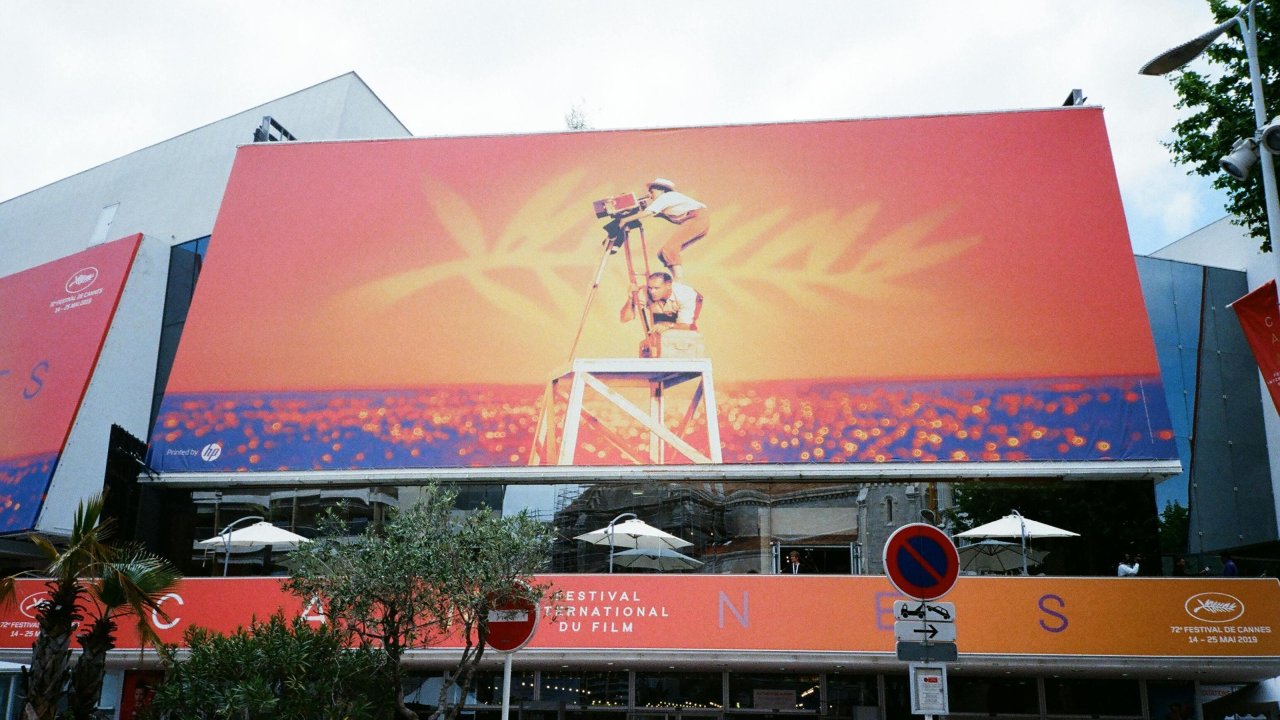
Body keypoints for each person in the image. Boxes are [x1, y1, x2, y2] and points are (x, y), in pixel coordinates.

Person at [619, 178, 709, 280]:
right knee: (662, 254)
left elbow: (649, 212)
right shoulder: (669, 200)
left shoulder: (666, 197)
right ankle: (674, 279)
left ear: (661, 190)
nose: (650, 194)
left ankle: (679, 280)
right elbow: (656, 212)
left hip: (698, 219)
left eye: (652, 191)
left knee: (669, 249)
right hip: (699, 222)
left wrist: (625, 220)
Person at [621, 271, 702, 331]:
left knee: (689, 330)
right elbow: (625, 319)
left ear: (668, 286)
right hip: (664, 310)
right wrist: (630, 299)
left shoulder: (685, 295)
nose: (652, 292)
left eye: (656, 288)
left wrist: (668, 325)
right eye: (650, 287)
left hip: (692, 302)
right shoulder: (645, 291)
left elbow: (685, 326)